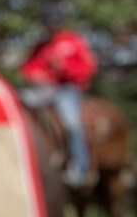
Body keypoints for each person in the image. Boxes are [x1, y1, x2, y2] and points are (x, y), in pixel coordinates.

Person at [19, 27, 98, 188]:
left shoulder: (73, 41)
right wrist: (34, 75)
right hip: (43, 90)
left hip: (66, 88)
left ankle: (80, 168)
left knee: (71, 124)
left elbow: (88, 67)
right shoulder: (42, 45)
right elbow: (28, 67)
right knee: (18, 105)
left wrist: (63, 69)